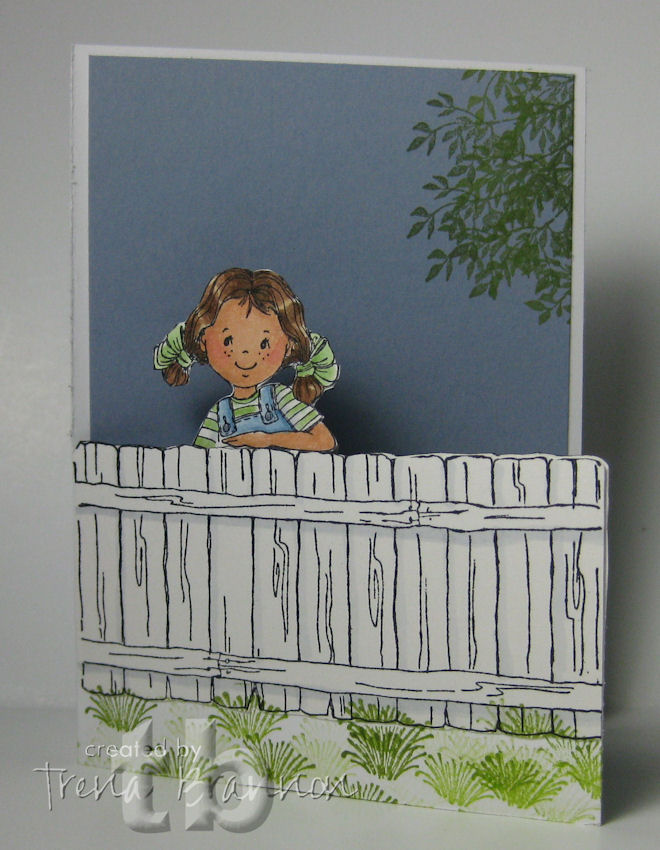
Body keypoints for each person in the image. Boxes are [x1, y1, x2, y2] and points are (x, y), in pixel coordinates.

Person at [153, 268, 338, 451]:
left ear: (288, 345)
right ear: (203, 340)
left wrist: (267, 440)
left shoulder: (281, 398)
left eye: (264, 343)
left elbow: (323, 441)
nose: (245, 355)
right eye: (228, 341)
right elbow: (200, 460)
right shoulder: (218, 415)